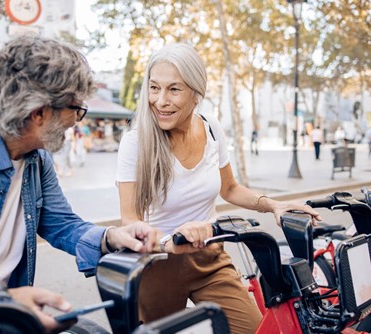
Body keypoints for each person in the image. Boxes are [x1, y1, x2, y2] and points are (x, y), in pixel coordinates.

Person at [0, 34, 160, 334]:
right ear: (39, 113)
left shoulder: (36, 159)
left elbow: (62, 225)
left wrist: (112, 237)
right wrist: (0, 300)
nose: (78, 121)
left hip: (10, 323)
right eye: (76, 109)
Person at [116, 43, 321, 334]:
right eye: (154, 88)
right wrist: (167, 242)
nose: (160, 101)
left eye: (174, 89)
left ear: (196, 93)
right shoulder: (135, 142)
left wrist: (273, 204)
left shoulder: (211, 127)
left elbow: (230, 188)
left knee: (253, 329)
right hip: (157, 264)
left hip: (210, 257)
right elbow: (130, 220)